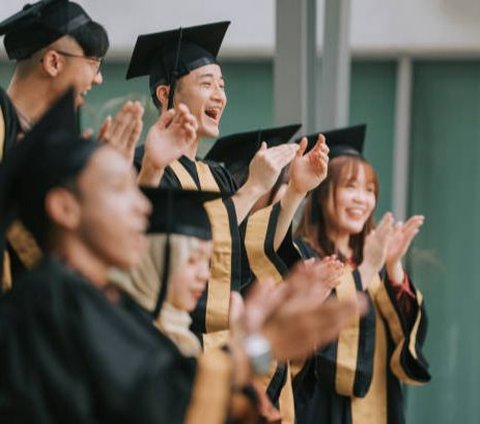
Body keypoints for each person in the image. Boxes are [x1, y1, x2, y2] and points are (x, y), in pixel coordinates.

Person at [291, 124, 431, 424]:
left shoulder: (375, 262)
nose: (361, 199)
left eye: (369, 190)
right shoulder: (301, 256)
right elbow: (305, 339)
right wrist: (367, 270)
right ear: (322, 192)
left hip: (381, 406)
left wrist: (392, 267)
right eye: (350, 187)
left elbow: (406, 346)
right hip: (322, 410)